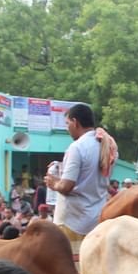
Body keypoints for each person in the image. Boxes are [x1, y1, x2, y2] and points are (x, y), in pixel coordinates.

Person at [45, 103, 116, 259]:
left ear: (75, 122)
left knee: (72, 269)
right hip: (97, 218)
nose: (67, 128)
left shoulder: (77, 147)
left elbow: (66, 186)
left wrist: (53, 183)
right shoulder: (108, 145)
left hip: (73, 221)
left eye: (67, 123)